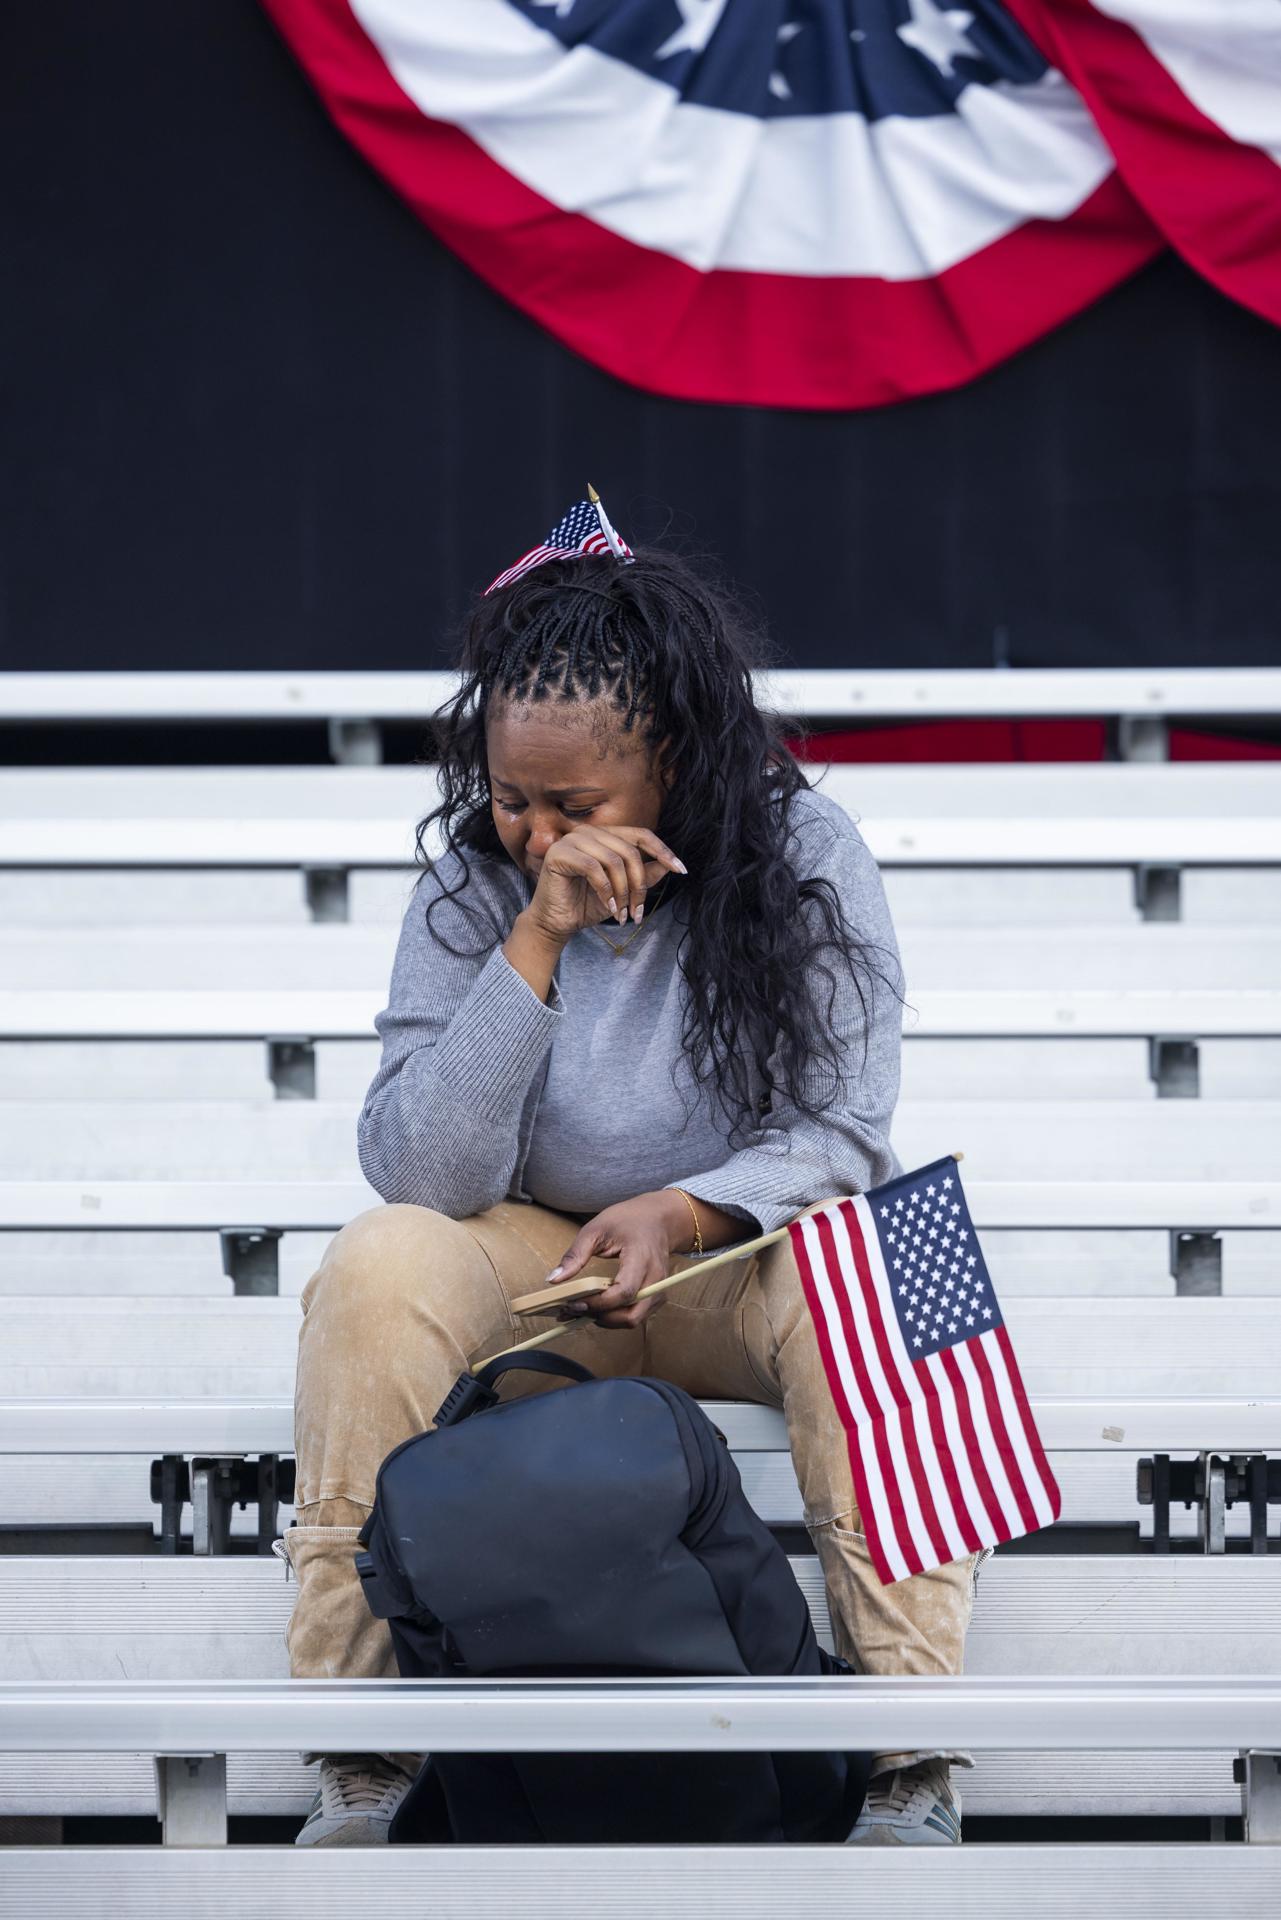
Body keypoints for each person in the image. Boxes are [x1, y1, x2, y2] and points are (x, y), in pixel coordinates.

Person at [280, 496, 979, 1849]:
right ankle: (362, 1755)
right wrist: (531, 943)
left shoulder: (807, 853)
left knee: (901, 1258)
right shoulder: (479, 879)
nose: (534, 829)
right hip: (536, 1258)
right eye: (508, 796)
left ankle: (909, 1758)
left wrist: (684, 1206)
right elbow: (420, 1166)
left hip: (733, 1254)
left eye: (575, 803)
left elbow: (840, 1131)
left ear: (679, 764)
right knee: (376, 1264)